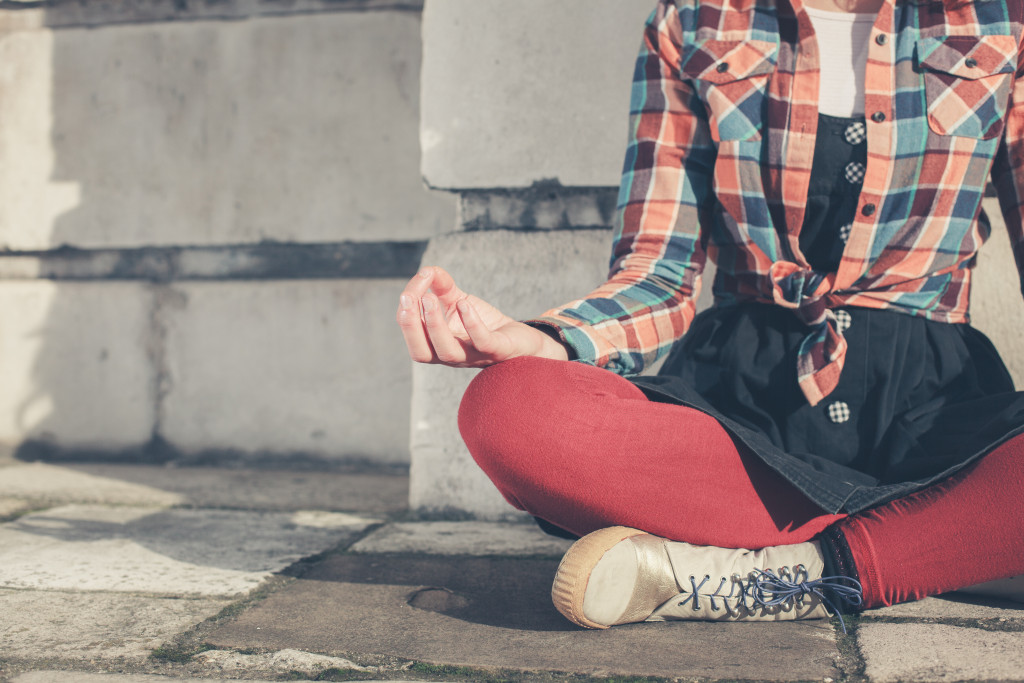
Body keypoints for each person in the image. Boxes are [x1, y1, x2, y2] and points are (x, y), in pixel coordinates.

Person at [397, 0, 1024, 630]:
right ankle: (937, 544)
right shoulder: (693, 22)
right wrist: (543, 340)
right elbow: (659, 270)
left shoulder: (1004, 19)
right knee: (508, 407)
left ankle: (768, 575)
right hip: (743, 415)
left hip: (936, 418)